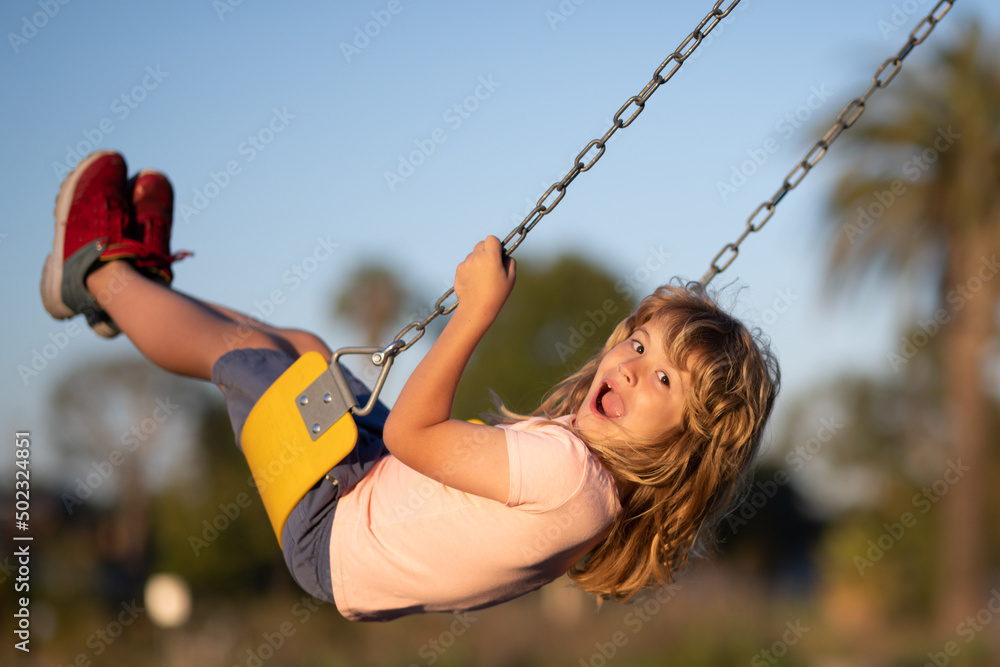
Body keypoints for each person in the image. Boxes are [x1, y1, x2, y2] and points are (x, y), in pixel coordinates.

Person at [41, 150, 779, 622]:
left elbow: (411, 435)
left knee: (246, 359)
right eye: (639, 343)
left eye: (663, 379)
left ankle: (95, 269)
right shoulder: (588, 484)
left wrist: (474, 312)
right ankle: (140, 290)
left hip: (333, 519)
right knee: (303, 351)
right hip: (364, 485)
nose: (629, 364)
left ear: (687, 442)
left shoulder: (570, 473)